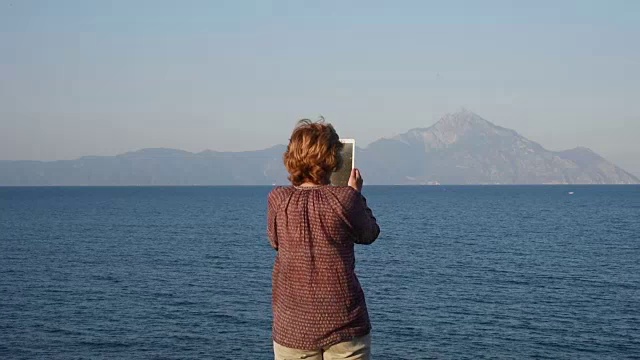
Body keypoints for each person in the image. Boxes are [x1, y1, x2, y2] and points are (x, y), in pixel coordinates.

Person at [267, 119, 380, 360]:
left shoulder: (278, 199)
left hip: (293, 327)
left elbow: (274, 241)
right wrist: (356, 195)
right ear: (332, 158)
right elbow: (370, 233)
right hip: (345, 324)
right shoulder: (345, 199)